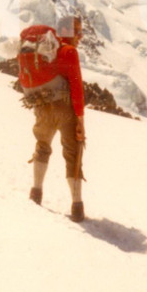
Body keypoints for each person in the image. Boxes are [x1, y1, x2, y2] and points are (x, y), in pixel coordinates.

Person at [21, 16, 86, 223]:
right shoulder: (68, 51)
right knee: (72, 154)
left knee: (42, 147)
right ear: (65, 30)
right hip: (65, 108)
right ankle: (76, 206)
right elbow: (76, 86)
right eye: (77, 31)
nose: (80, 36)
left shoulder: (44, 51)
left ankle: (36, 192)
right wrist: (80, 120)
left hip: (42, 107)